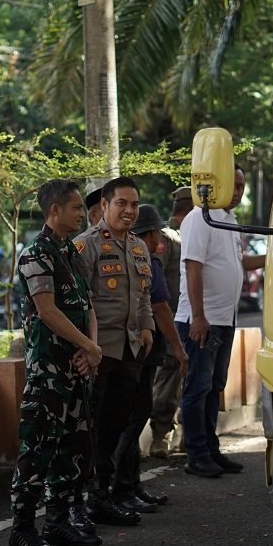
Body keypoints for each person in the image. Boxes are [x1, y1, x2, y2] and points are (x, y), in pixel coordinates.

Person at [7, 179, 102, 546]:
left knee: (73, 449)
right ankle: (22, 531)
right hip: (48, 371)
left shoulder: (72, 252)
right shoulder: (36, 253)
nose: (83, 213)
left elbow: (88, 308)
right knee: (39, 449)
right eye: (77, 207)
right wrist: (89, 346)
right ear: (55, 211)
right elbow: (47, 311)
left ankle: (58, 522)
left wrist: (90, 350)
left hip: (78, 367)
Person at [74, 176, 155, 524]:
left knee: (115, 426)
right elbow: (77, 302)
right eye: (121, 203)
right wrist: (84, 347)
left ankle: (100, 498)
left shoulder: (139, 246)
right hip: (97, 353)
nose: (130, 211)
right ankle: (77, 504)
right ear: (104, 206)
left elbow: (144, 295)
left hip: (130, 351)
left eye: (134, 205)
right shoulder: (85, 245)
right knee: (87, 430)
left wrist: (148, 326)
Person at [175, 168, 266, 478]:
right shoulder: (200, 218)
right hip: (200, 320)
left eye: (242, 185)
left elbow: (238, 265)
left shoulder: (229, 220)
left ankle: (211, 449)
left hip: (224, 320)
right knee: (197, 387)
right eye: (234, 184)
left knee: (213, 387)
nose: (238, 191)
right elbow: (192, 267)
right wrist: (199, 317)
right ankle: (196, 454)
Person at [111, 204, 187, 509]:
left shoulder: (138, 255)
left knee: (134, 416)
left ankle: (131, 485)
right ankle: (121, 488)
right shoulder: (148, 261)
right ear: (152, 233)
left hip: (135, 350)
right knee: (133, 417)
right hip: (141, 350)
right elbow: (159, 307)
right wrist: (178, 348)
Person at [148, 186, 192, 457]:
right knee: (168, 379)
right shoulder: (167, 237)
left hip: (189, 317)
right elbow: (155, 275)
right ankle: (160, 436)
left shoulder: (189, 234)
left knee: (191, 379)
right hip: (171, 319)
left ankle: (188, 436)